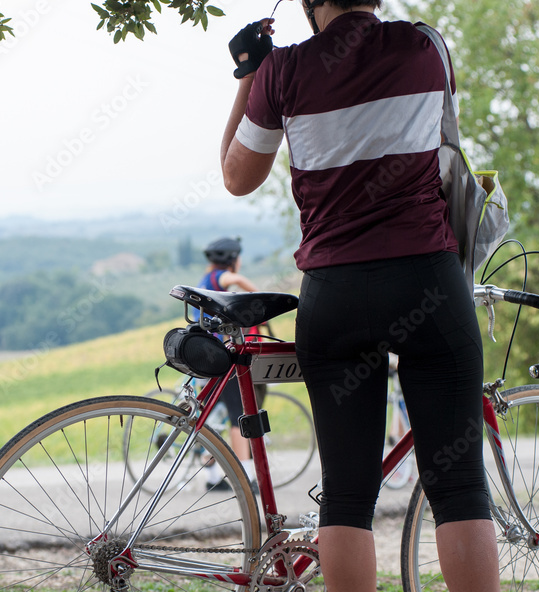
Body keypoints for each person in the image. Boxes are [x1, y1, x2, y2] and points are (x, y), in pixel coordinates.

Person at [218, 3, 499, 592]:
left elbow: (237, 177)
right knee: (459, 488)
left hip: (334, 292)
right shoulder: (424, 48)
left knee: (346, 495)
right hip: (426, 281)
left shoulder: (282, 70)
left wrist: (250, 74)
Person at [193, 237, 260, 491]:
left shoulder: (205, 278)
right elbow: (237, 280)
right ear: (232, 259)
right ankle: (245, 477)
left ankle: (212, 478)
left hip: (204, 356)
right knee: (238, 414)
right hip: (221, 356)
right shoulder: (219, 277)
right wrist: (257, 296)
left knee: (210, 416)